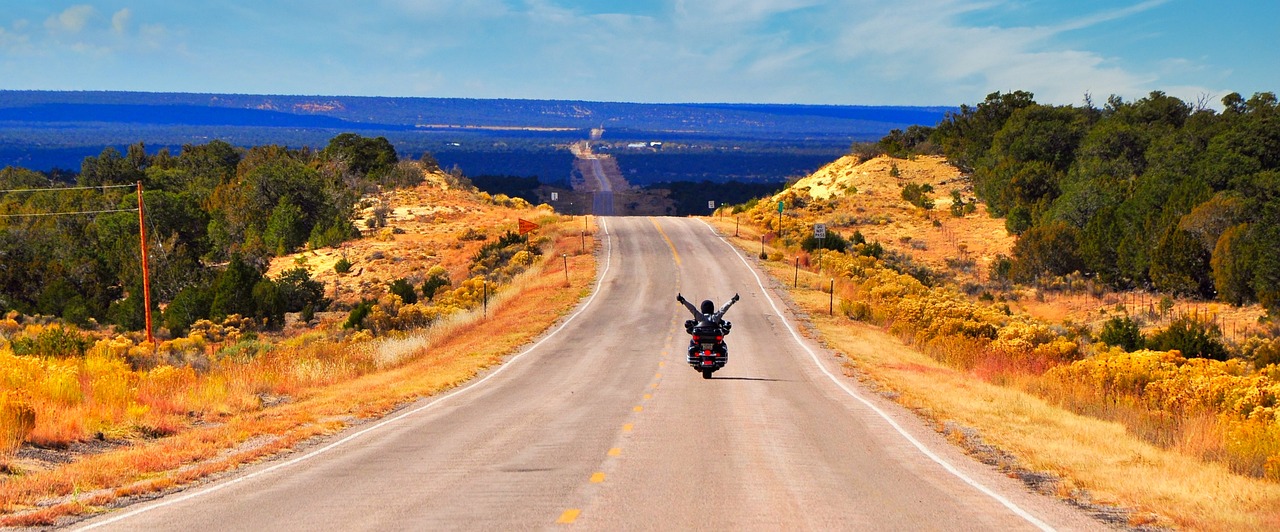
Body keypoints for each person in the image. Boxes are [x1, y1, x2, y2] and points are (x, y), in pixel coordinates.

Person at [677, 293, 739, 360]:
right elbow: (723, 309)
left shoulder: (699, 316)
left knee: (692, 342)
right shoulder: (715, 317)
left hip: (701, 344)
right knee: (722, 344)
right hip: (715, 343)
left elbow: (692, 309)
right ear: (712, 308)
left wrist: (683, 300)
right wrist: (733, 300)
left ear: (702, 308)